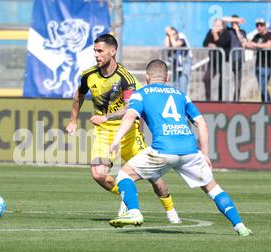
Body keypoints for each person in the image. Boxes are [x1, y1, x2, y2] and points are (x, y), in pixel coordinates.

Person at [108, 59, 253, 237]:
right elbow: (202, 123)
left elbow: (130, 115)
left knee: (124, 175)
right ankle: (240, 226)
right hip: (190, 150)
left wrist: (116, 139)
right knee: (213, 189)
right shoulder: (180, 94)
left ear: (147, 77)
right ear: (167, 77)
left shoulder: (141, 93)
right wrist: (205, 154)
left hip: (162, 150)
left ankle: (134, 212)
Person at [65, 34, 180, 224]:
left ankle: (171, 210)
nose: (96, 55)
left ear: (113, 51)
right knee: (98, 174)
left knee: (154, 176)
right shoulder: (88, 75)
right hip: (103, 133)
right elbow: (79, 94)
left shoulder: (125, 78)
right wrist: (72, 121)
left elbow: (130, 108)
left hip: (128, 132)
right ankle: (127, 198)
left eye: (100, 51)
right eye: (95, 51)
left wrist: (106, 116)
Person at [246, 18, 271, 103]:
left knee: (263, 87)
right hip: (258, 65)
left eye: (261, 25)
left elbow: (268, 45)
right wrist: (250, 44)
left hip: (267, 66)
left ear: (265, 26)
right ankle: (264, 105)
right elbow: (248, 45)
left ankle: (269, 104)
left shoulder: (269, 35)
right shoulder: (257, 36)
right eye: (257, 25)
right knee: (262, 87)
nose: (259, 27)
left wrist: (255, 45)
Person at [203, 18, 231, 101]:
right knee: (206, 78)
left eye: (218, 25)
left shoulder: (226, 33)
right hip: (213, 61)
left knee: (222, 81)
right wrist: (210, 45)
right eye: (215, 25)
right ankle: (208, 99)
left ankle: (221, 100)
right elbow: (204, 43)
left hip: (224, 61)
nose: (216, 27)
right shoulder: (210, 32)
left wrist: (215, 35)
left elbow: (221, 43)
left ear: (223, 26)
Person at [222, 15, 248, 101]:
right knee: (226, 81)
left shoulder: (242, 32)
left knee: (238, 82)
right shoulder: (228, 31)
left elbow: (243, 43)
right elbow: (222, 19)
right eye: (232, 22)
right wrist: (236, 19)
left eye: (235, 22)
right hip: (228, 60)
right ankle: (225, 100)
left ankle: (236, 100)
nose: (234, 24)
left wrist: (237, 30)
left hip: (239, 59)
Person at [164, 26, 192, 94]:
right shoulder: (170, 38)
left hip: (184, 63)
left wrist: (171, 35)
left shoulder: (181, 37)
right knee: (175, 84)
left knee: (183, 83)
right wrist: (167, 35)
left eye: (174, 34)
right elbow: (167, 46)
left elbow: (175, 45)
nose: (173, 36)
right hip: (176, 64)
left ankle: (183, 100)